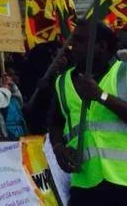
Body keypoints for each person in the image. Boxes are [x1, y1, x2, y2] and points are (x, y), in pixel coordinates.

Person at [51, 21, 127, 204]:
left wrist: (100, 96)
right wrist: (58, 147)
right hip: (83, 184)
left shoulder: (123, 72)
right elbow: (55, 123)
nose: (73, 46)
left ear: (101, 46)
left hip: (122, 181)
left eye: (80, 41)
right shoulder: (62, 82)